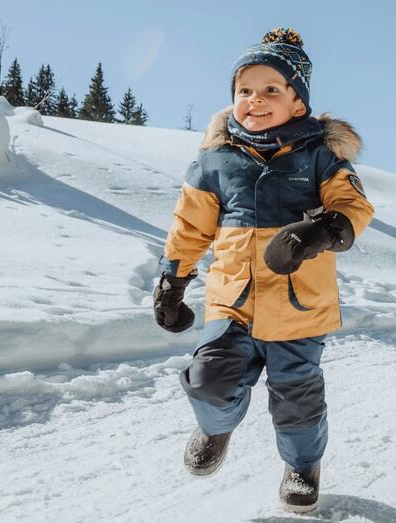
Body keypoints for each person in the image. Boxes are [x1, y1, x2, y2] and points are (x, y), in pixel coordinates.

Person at [151, 28, 374, 514]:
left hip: (300, 305)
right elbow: (190, 225)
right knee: (209, 376)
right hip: (231, 299)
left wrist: (318, 231)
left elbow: (352, 207)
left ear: (299, 104)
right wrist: (173, 279)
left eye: (272, 89)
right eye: (244, 90)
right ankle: (215, 427)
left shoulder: (320, 156)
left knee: (296, 397)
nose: (255, 100)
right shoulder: (215, 161)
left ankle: (302, 465)